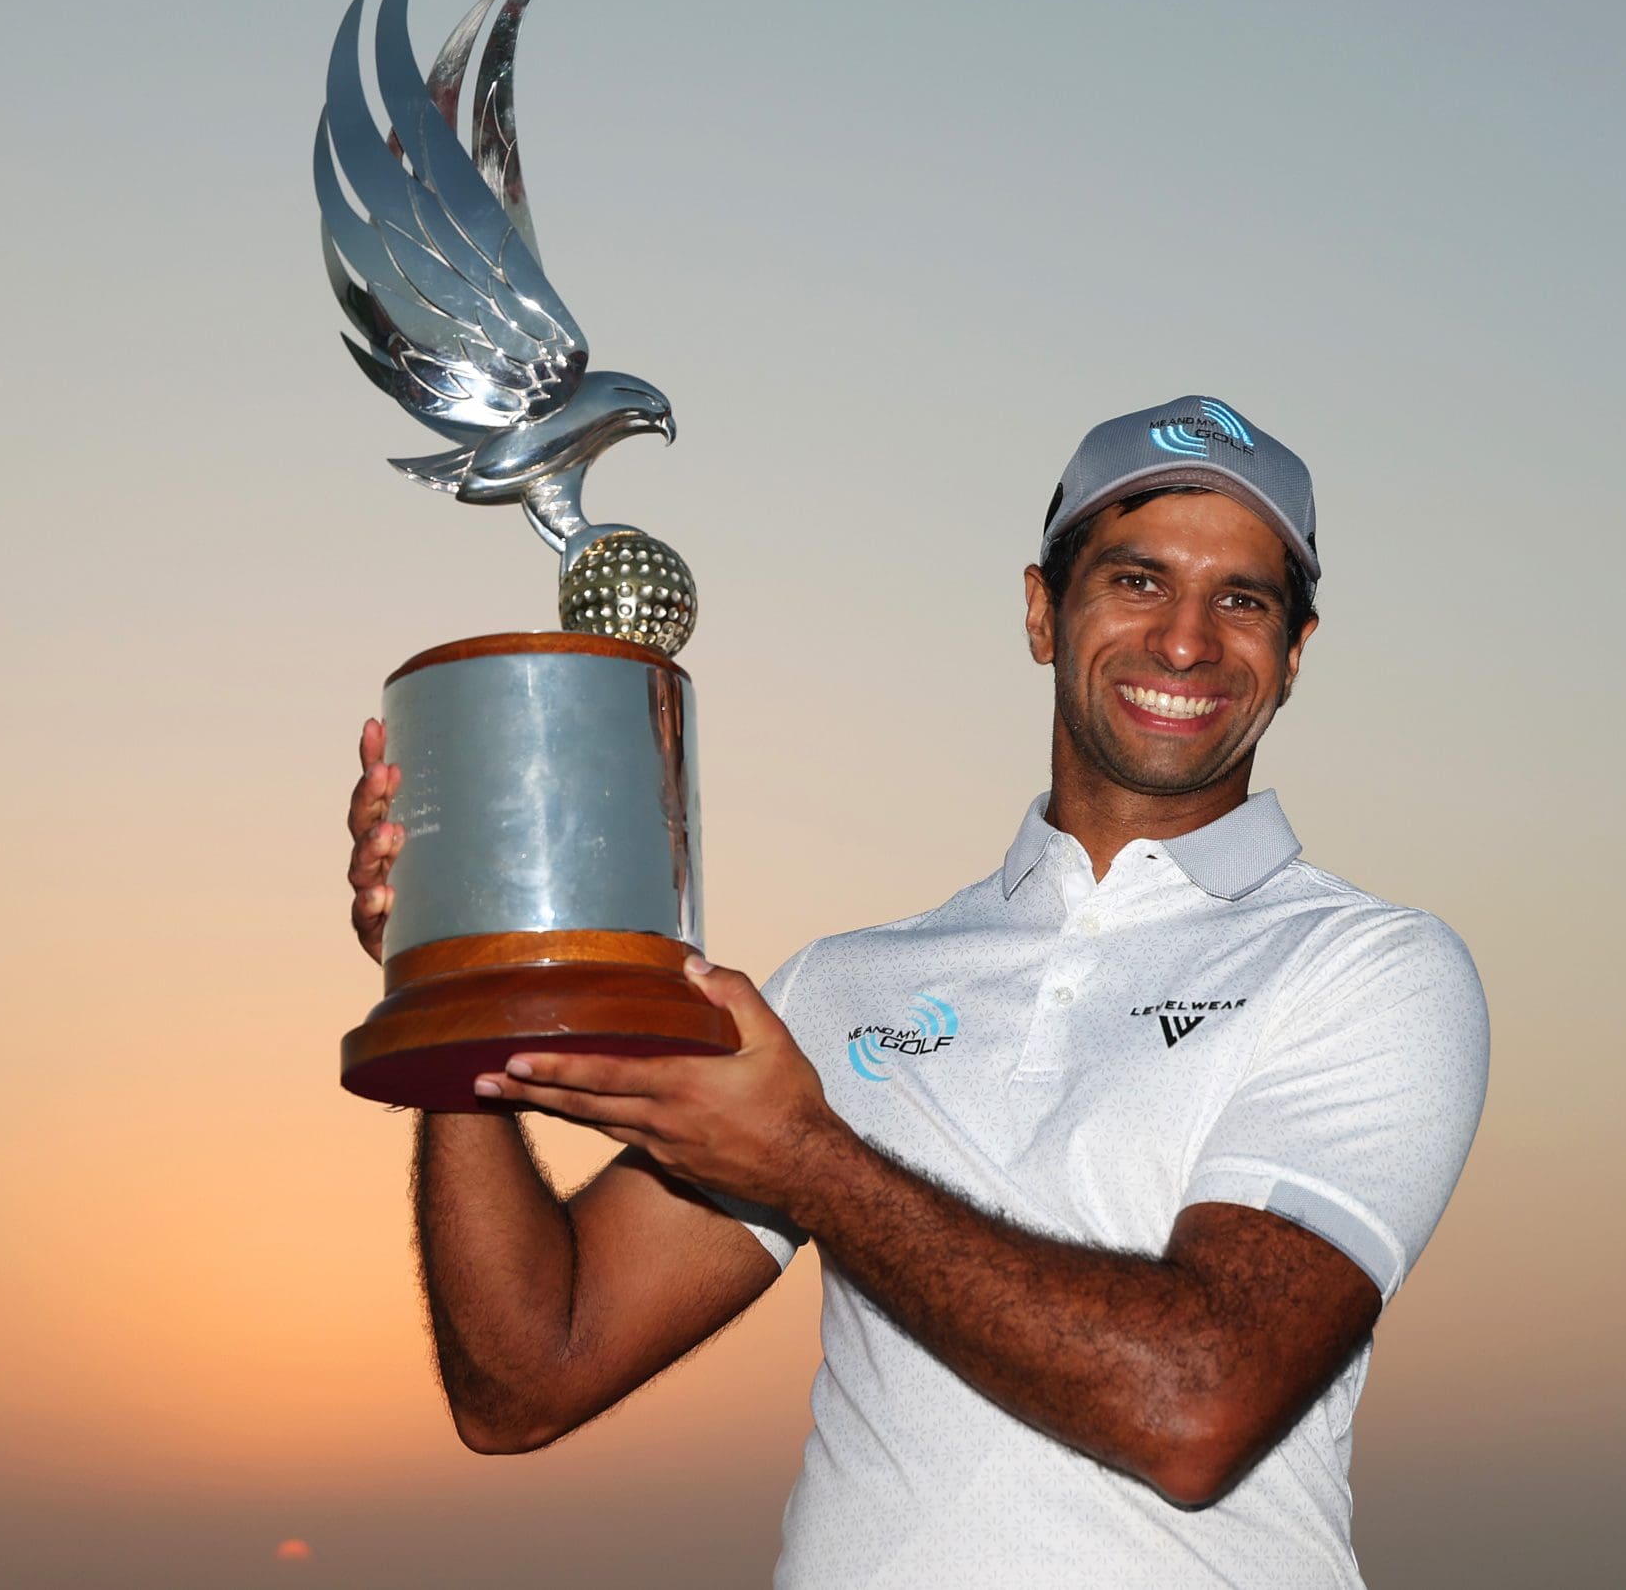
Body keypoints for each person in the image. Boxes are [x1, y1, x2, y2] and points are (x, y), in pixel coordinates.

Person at [345, 397, 1489, 1587]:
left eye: (1241, 601)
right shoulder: (842, 988)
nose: (1186, 641)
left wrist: (807, 1162)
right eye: (1136, 581)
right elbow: (527, 1376)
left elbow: (1197, 1405)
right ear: (1042, 612)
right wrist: (450, 977)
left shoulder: (1368, 967)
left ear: (1293, 656)